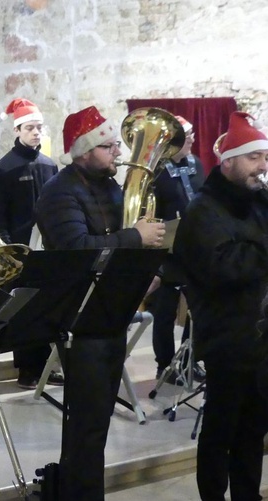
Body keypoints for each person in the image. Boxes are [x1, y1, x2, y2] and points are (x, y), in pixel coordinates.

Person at [35, 105, 165, 501]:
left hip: (108, 313)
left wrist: (145, 270)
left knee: (96, 421)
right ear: (84, 150)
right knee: (87, 425)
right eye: (108, 146)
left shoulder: (110, 185)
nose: (118, 154)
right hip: (78, 319)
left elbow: (123, 239)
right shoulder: (58, 192)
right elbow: (76, 251)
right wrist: (135, 239)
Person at [173, 111, 268, 501]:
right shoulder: (203, 210)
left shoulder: (259, 199)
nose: (262, 166)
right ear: (228, 161)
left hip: (261, 337)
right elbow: (223, 268)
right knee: (221, 430)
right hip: (228, 337)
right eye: (253, 157)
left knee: (254, 430)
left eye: (265, 157)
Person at [0, 97, 62, 390]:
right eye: (30, 127)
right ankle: (27, 369)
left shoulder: (49, 165)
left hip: (47, 249)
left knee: (46, 308)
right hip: (20, 250)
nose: (35, 133)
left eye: (39, 128)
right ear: (17, 131)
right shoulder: (5, 168)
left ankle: (45, 367)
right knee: (24, 310)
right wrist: (7, 248)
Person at [149, 115, 206, 384]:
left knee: (197, 308)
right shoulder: (157, 170)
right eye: (188, 135)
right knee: (165, 310)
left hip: (195, 250)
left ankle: (188, 360)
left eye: (193, 133)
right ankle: (165, 365)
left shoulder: (197, 164)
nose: (193, 139)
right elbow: (150, 213)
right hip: (168, 251)